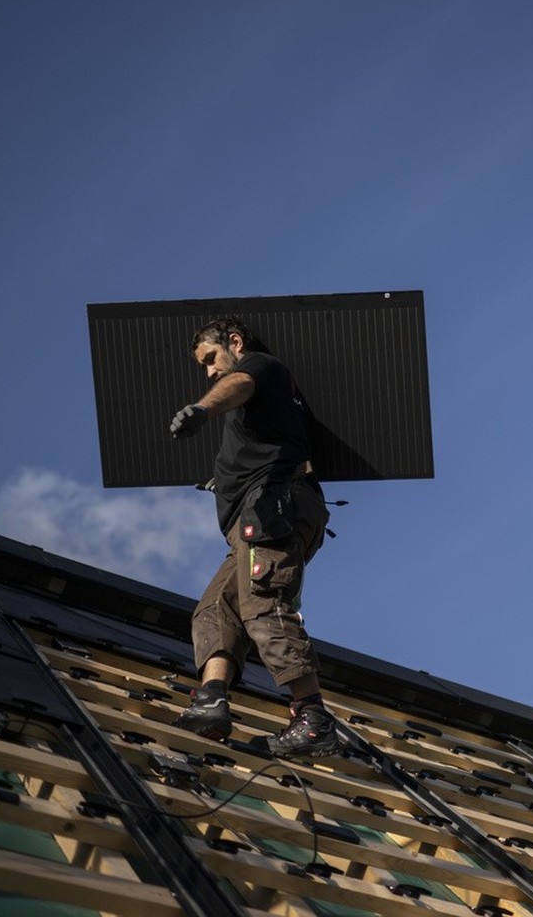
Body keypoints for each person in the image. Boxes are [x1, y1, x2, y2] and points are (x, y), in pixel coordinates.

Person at [167, 315, 337, 757]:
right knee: (215, 607)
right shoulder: (264, 417)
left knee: (263, 602)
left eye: (209, 359)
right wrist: (222, 481)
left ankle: (313, 718)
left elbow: (238, 384)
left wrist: (203, 409)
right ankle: (211, 700)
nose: (208, 371)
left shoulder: (260, 367)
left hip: (271, 509)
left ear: (234, 343)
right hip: (256, 519)